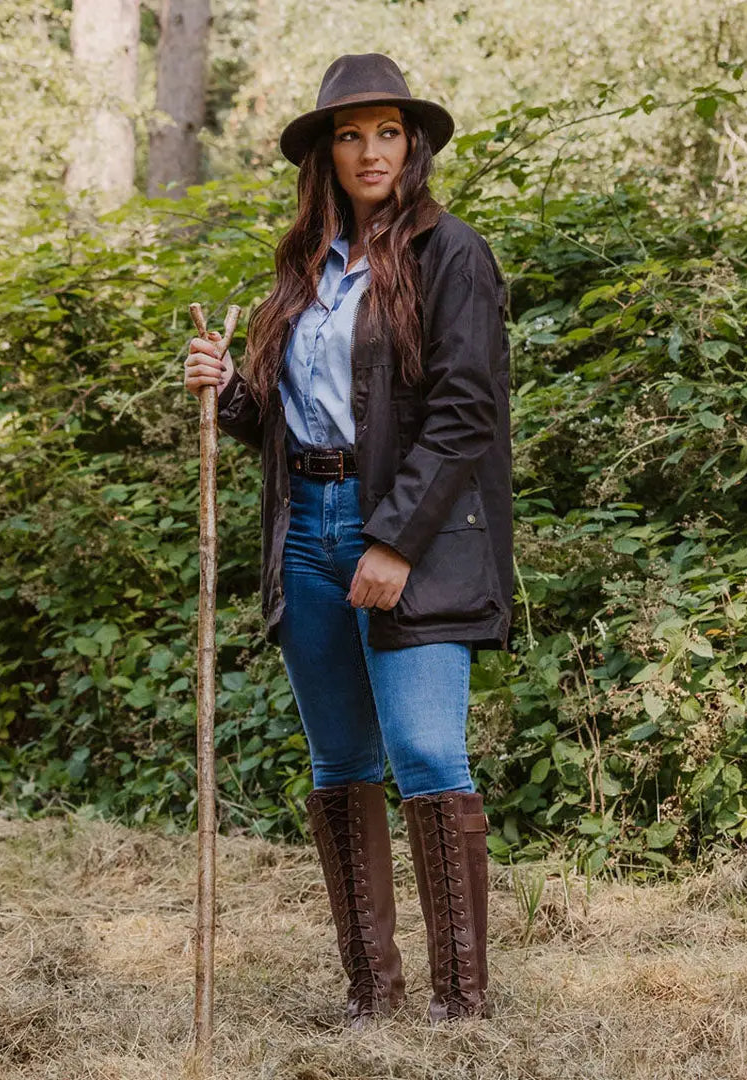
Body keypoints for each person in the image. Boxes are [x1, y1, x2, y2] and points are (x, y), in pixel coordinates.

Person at [184, 53, 512, 1027]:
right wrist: (229, 392)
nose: (369, 150)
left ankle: (461, 1005)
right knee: (339, 763)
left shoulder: (452, 255)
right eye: (349, 133)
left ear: (412, 146)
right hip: (306, 534)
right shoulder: (305, 268)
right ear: (324, 153)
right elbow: (289, 424)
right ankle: (372, 993)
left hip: (411, 536)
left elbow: (465, 413)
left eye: (387, 132)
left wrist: (396, 542)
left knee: (423, 748)